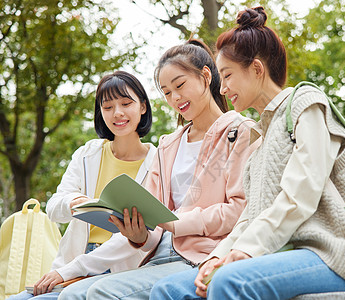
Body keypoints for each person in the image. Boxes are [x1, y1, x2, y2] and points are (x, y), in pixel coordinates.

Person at [150, 6, 345, 300]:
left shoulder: (305, 104)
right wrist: (218, 256)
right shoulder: (259, 138)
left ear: (257, 69)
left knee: (230, 282)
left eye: (228, 75)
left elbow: (301, 194)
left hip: (327, 253)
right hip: (278, 253)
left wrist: (247, 249)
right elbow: (250, 216)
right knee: (169, 290)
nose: (224, 86)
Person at [58, 39, 258, 299]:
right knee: (71, 295)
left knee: (101, 293)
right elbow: (153, 225)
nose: (175, 98)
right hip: (157, 257)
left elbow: (239, 210)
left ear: (206, 76)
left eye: (180, 85)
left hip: (202, 255)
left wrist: (175, 223)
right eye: (166, 92)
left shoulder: (239, 132)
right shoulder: (168, 145)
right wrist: (139, 234)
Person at [8, 71, 157, 300]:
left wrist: (70, 270)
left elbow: (142, 237)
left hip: (119, 270)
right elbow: (54, 209)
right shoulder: (88, 154)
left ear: (143, 107)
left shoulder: (157, 162)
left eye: (126, 103)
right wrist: (75, 202)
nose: (117, 113)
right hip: (74, 263)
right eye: (107, 107)